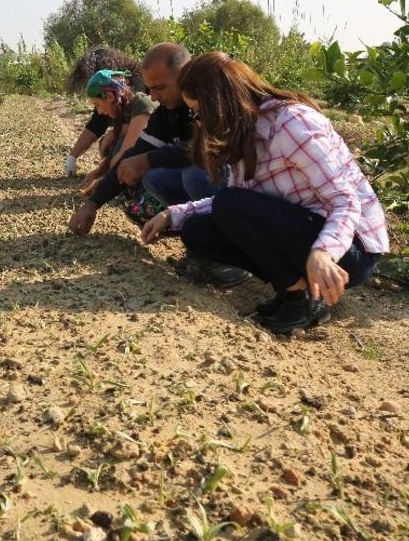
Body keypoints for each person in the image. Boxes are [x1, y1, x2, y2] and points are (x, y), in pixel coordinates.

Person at [140, 51, 389, 334]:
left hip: (350, 249)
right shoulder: (243, 134)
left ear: (221, 105)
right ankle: (293, 289)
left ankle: (299, 300)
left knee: (228, 204)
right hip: (304, 232)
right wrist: (174, 214)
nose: (197, 122)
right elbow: (237, 203)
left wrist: (323, 253)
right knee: (197, 230)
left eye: (198, 112)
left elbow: (344, 201)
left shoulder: (292, 124)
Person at [68, 42, 248, 287]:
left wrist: (147, 159)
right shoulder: (166, 111)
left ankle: (230, 255)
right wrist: (93, 204)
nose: (153, 96)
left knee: (192, 175)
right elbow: (136, 154)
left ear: (186, 75)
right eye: (150, 88)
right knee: (155, 177)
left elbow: (207, 148)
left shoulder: (213, 97)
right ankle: (198, 241)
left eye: (160, 87)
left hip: (245, 185)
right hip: (219, 187)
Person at [63, 46, 144, 177]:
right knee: (106, 144)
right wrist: (72, 156)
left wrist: (114, 133)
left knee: (114, 144)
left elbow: (139, 125)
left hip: (144, 141)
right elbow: (96, 125)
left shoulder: (136, 85)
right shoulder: (107, 95)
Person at [78, 70, 156, 195]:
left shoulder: (141, 105)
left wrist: (104, 181)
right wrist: (98, 172)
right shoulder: (124, 108)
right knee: (109, 143)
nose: (99, 112)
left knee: (118, 150)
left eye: (97, 105)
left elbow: (127, 150)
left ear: (109, 96)